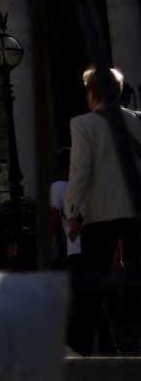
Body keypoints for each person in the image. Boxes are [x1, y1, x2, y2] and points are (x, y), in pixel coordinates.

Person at [65, 66, 141, 356]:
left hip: (102, 214)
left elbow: (80, 170)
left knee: (91, 287)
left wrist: (73, 210)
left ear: (91, 92)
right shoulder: (137, 120)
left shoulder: (83, 124)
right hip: (136, 210)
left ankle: (79, 347)